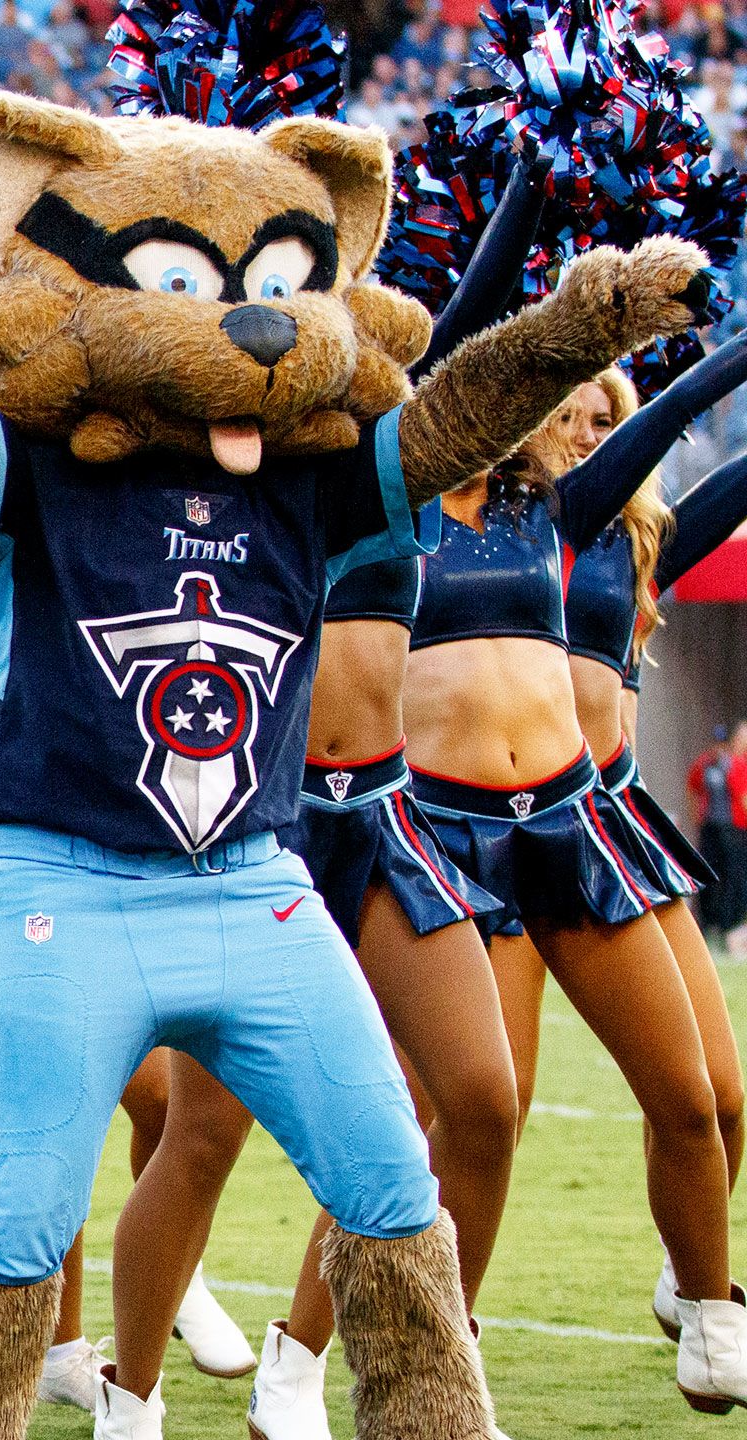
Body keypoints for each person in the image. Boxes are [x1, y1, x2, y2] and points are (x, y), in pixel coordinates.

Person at [0, 91, 702, 1440]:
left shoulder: (304, 482)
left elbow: (463, 410)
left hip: (254, 882)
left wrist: (586, 324)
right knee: (14, 1225)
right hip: (58, 886)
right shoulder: (32, 469)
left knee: (391, 1192)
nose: (245, 327)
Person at [99, 159, 549, 1438]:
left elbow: (472, 330)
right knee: (203, 1140)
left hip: (386, 812)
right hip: (264, 824)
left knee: (477, 1101)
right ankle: (127, 1405)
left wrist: (522, 179)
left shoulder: (395, 452)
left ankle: (329, 1366)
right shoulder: (259, 466)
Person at [404, 329, 747, 1410]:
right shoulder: (467, 519)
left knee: (714, 1096)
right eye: (575, 412)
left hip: (597, 819)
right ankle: (397, 1350)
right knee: (479, 1115)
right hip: (468, 828)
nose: (592, 431)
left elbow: (696, 462)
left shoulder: (620, 531)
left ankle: (697, 1297)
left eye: (609, 418)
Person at [690, 724, 747, 951]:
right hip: (713, 828)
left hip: (732, 828)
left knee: (734, 876)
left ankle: (728, 925)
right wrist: (698, 817)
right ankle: (710, 923)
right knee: (711, 875)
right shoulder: (705, 765)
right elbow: (692, 787)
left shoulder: (735, 765)